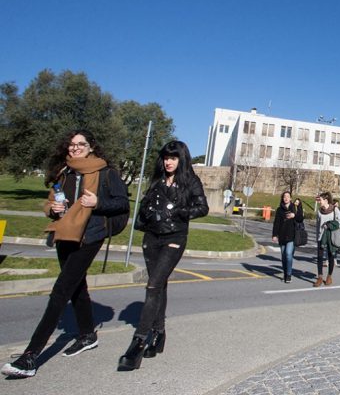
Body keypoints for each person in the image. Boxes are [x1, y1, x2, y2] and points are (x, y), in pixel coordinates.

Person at [1, 130, 129, 378]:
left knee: (61, 290)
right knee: (76, 286)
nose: (75, 148)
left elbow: (122, 203)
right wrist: (53, 208)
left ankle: (30, 356)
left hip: (90, 235)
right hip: (65, 234)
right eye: (72, 145)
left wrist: (98, 204)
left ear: (91, 147)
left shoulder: (106, 172)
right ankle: (87, 334)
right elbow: (50, 203)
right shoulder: (65, 172)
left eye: (81, 144)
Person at [117, 141, 208, 371]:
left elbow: (203, 207)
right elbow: (147, 203)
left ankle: (138, 342)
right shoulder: (157, 179)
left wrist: (180, 211)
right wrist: (148, 211)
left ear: (182, 159)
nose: (169, 162)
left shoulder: (190, 181)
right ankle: (159, 334)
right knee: (160, 286)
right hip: (151, 238)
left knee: (152, 286)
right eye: (166, 157)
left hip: (174, 238)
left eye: (173, 158)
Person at [272, 191, 303, 283]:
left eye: (288, 196)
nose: (286, 198)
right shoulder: (279, 210)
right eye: (284, 196)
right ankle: (285, 273)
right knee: (283, 256)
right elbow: (276, 223)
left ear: (290, 198)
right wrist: (274, 235)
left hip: (291, 235)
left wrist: (294, 215)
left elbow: (301, 218)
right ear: (282, 198)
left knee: (288, 254)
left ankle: (289, 275)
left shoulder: (295, 207)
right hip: (282, 235)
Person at [314, 192, 340, 287]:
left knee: (331, 256)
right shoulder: (319, 211)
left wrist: (330, 225)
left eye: (320, 200)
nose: (319, 202)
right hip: (321, 236)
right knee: (320, 257)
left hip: (331, 236)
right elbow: (318, 225)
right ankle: (320, 277)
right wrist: (317, 237)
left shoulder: (335, 209)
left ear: (326, 200)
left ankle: (329, 276)